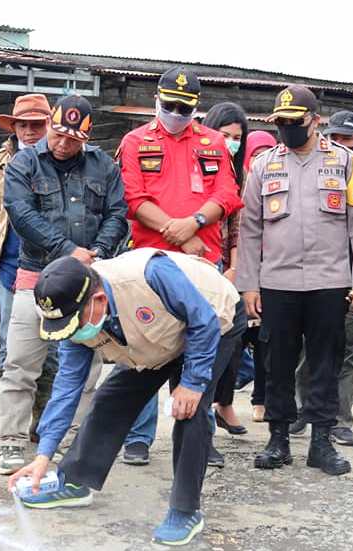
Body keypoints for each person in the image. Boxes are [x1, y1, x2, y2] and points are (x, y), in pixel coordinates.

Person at [9, 249, 245, 547]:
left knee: (188, 410)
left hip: (213, 320)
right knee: (111, 398)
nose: (74, 331)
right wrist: (43, 456)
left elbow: (204, 322)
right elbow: (67, 386)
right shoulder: (79, 318)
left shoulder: (150, 275)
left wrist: (193, 382)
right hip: (155, 337)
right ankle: (75, 481)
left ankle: (185, 510)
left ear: (98, 300)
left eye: (74, 322)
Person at [236, 84, 353, 476]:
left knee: (325, 363)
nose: (287, 129)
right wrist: (248, 283)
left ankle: (321, 441)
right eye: (281, 123)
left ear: (315, 120)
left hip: (329, 281)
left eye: (294, 122)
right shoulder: (264, 165)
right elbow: (248, 229)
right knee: (276, 362)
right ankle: (278, 438)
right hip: (276, 283)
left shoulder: (345, 162)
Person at [116, 69, 243, 466]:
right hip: (151, 263)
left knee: (201, 349)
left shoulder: (214, 142)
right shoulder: (136, 141)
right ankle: (138, 436)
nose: (175, 112)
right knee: (146, 346)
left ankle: (197, 437)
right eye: (169, 105)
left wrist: (196, 224)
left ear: (195, 108)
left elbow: (227, 193)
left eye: (184, 108)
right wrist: (177, 233)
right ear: (156, 100)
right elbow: (133, 198)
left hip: (202, 261)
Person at [0, 95, 129, 475]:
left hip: (88, 281)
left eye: (73, 139)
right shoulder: (24, 162)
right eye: (58, 134)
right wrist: (68, 250)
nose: (62, 143)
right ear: (51, 126)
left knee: (85, 369)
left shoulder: (103, 166)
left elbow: (118, 213)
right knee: (20, 363)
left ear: (85, 138)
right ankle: (12, 442)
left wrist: (100, 250)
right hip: (34, 277)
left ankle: (73, 442)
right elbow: (21, 213)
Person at [289, 110, 353, 446]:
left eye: (346, 139)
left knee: (349, 351)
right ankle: (304, 410)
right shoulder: (310, 164)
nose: (338, 144)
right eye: (333, 137)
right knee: (308, 347)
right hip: (315, 271)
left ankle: (340, 419)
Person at [0, 94, 60, 441]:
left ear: (48, 124)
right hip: (9, 267)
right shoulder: (0, 161)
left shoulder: (62, 157)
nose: (31, 130)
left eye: (38, 124)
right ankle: (13, 424)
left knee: (52, 349)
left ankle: (43, 422)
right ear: (15, 126)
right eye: (24, 124)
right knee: (11, 349)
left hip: (54, 268)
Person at [202, 102, 250, 442]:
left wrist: (234, 267)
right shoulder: (196, 161)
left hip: (223, 266)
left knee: (231, 337)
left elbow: (237, 226)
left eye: (237, 137)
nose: (231, 142)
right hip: (189, 259)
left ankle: (223, 403)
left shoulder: (239, 174)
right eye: (224, 135)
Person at [241, 130, 277, 424]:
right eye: (254, 154)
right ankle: (222, 400)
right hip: (239, 270)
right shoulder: (237, 182)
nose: (258, 160)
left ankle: (261, 398)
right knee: (236, 339)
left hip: (272, 273)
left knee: (266, 341)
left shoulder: (276, 182)